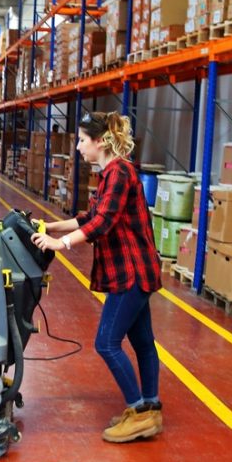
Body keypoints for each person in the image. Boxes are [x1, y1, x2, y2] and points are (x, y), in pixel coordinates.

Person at [31, 111, 164, 443]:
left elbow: (101, 224)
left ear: (101, 141)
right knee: (143, 344)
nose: (77, 147)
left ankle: (139, 414)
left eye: (81, 140)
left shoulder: (120, 172)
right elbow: (89, 217)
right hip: (134, 269)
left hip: (131, 272)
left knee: (106, 343)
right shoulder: (110, 173)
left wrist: (58, 244)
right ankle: (150, 407)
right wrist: (46, 227)